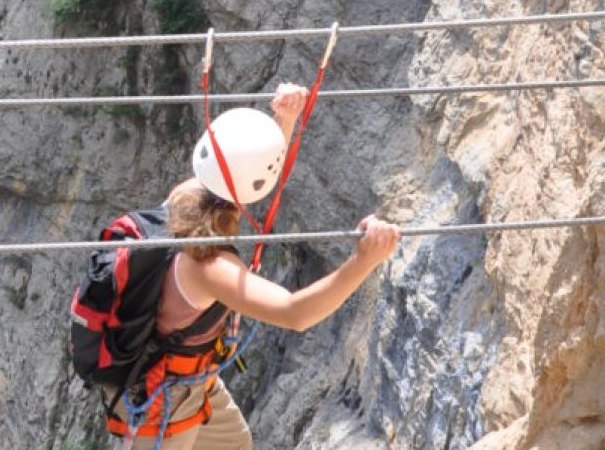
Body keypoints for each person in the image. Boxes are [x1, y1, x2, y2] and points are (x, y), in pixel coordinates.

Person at [109, 84, 401, 449]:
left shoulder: (187, 194)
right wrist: (364, 261)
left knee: (234, 443)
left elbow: (242, 175)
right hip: (166, 394)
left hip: (186, 373)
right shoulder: (211, 267)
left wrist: (284, 123)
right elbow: (296, 313)